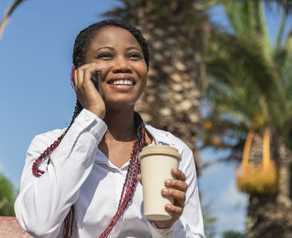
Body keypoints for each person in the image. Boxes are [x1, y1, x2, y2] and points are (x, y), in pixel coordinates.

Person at [14, 19, 205, 238]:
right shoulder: (48, 147)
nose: (123, 65)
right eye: (106, 55)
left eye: (134, 56)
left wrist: (167, 226)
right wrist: (93, 114)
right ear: (77, 74)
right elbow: (38, 223)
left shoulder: (171, 150)